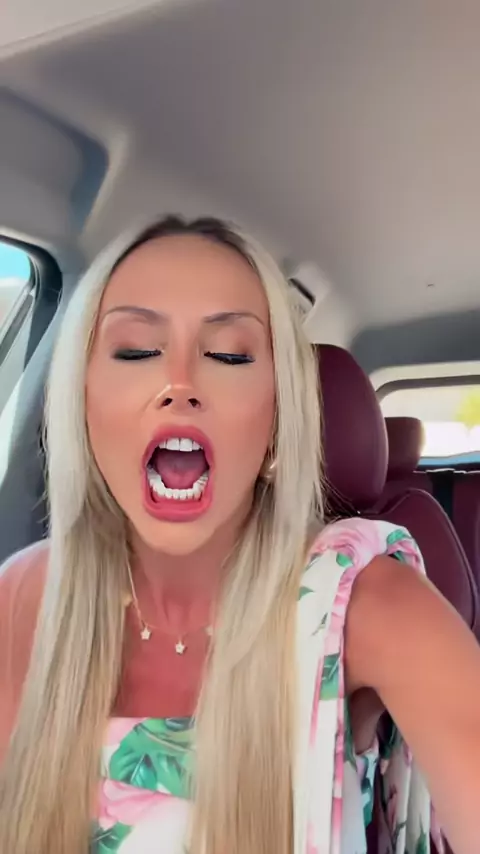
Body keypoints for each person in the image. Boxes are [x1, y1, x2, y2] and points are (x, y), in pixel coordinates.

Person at [0, 216, 479, 854]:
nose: (179, 385)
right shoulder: (22, 596)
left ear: (279, 417)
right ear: (81, 402)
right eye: (136, 351)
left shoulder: (371, 607)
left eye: (228, 355)